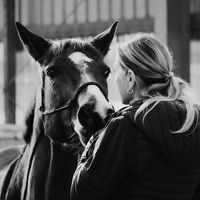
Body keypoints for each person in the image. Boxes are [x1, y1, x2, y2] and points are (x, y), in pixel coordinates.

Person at [70, 33, 200, 200]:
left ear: (130, 78)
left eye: (116, 71)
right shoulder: (194, 121)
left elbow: (81, 193)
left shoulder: (124, 127)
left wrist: (95, 138)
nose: (115, 79)